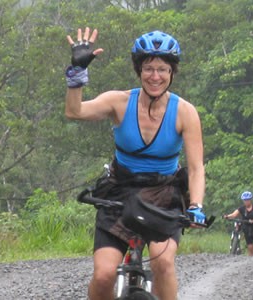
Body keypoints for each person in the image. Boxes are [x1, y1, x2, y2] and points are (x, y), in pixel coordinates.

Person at [64, 28, 206, 300]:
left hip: (164, 194)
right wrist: (76, 72)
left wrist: (196, 205)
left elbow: (196, 167)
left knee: (163, 262)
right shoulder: (119, 102)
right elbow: (75, 111)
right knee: (104, 275)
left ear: (172, 72)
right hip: (119, 189)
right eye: (149, 68)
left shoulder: (185, 112)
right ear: (139, 71)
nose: (155, 76)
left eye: (163, 69)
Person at [224, 191, 253, 256]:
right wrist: (227, 216)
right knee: (250, 247)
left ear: (250, 200)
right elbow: (234, 215)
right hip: (247, 228)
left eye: (247, 200)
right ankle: (250, 261)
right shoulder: (241, 208)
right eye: (244, 200)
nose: (246, 201)